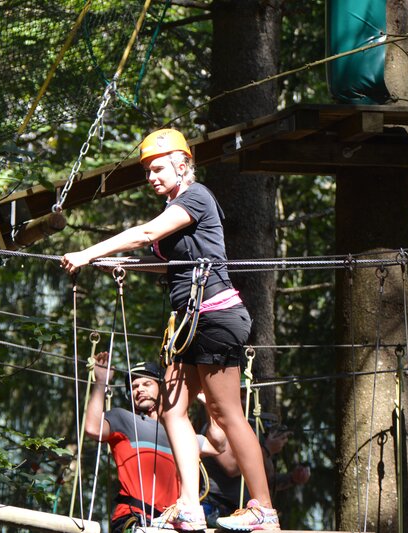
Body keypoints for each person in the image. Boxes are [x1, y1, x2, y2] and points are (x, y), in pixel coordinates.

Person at [61, 128, 279, 531]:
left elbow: (146, 234)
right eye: (147, 172)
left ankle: (263, 508)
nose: (152, 177)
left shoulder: (196, 196)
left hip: (215, 315)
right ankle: (189, 505)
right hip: (189, 323)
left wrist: (89, 252)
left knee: (226, 412)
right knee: (172, 409)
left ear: (183, 165)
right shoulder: (178, 206)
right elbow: (173, 263)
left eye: (158, 168)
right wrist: (124, 265)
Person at [84, 351, 224, 533]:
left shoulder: (181, 434)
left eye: (146, 384)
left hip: (175, 523)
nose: (139, 389)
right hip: (133, 518)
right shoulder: (123, 420)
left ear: (161, 388)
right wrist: (101, 382)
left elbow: (218, 444)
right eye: (134, 387)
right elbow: (93, 428)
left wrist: (209, 405)